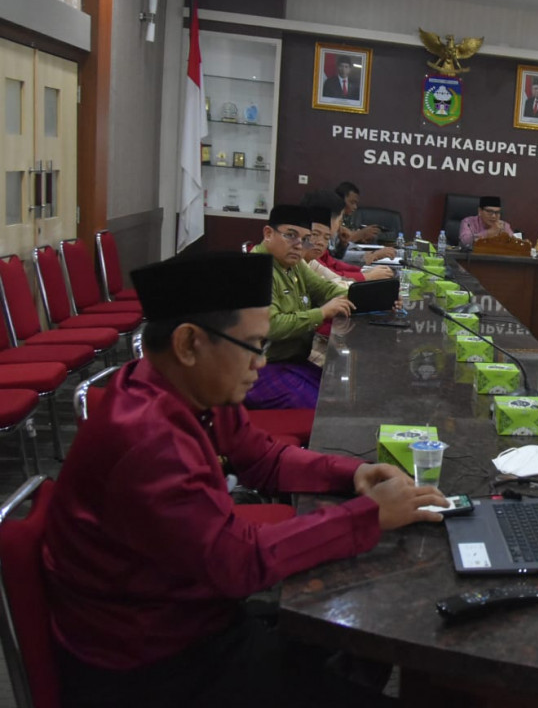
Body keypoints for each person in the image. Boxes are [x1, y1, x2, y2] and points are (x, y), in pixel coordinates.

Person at [42, 250, 448, 708]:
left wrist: (352, 472)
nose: (262, 361)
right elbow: (240, 564)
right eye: (254, 345)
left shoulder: (187, 386)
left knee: (366, 625)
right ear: (189, 343)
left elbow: (264, 459)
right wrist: (369, 517)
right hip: (153, 666)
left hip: (194, 614)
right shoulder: (148, 439)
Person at [247, 205, 355, 409]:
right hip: (261, 370)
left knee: (341, 394)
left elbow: (325, 290)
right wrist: (321, 313)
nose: (299, 245)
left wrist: (374, 298)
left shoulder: (294, 264)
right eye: (291, 235)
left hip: (292, 362)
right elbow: (271, 325)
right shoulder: (256, 268)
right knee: (327, 409)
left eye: (305, 239)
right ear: (268, 233)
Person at [306, 195, 394, 279]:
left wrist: (363, 272)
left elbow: (334, 264)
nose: (340, 224)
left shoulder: (326, 238)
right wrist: (366, 275)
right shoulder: (308, 249)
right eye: (315, 234)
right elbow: (332, 278)